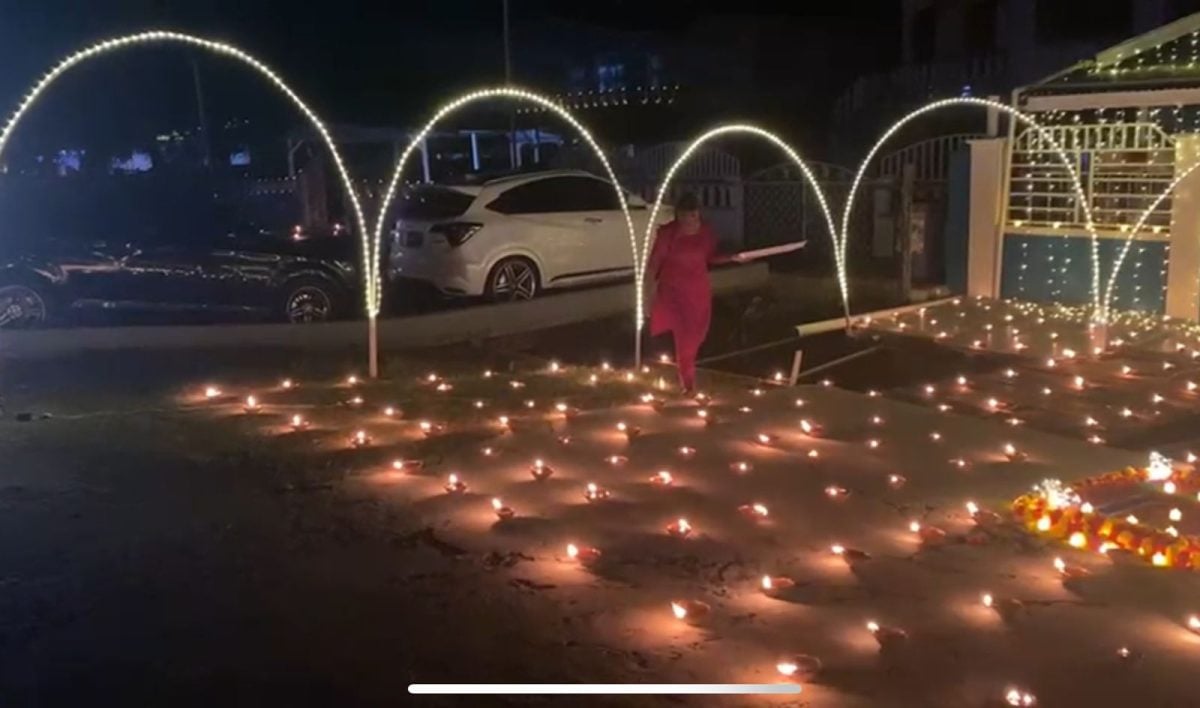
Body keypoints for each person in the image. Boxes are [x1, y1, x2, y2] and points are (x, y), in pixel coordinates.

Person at [646, 192, 744, 395]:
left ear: (698, 215)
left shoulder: (706, 233)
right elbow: (654, 264)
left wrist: (732, 258)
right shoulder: (668, 234)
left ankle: (687, 372)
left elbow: (710, 258)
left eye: (693, 217)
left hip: (698, 292)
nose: (690, 222)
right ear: (678, 216)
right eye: (685, 218)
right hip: (673, 293)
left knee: (697, 336)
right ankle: (688, 384)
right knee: (685, 340)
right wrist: (648, 294)